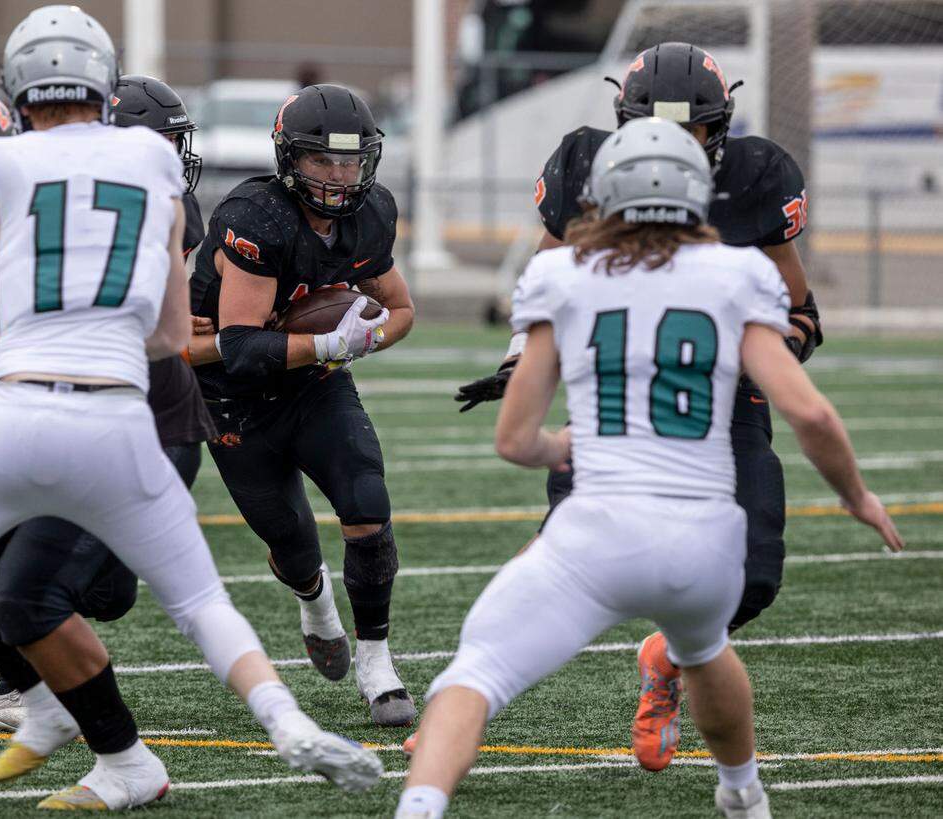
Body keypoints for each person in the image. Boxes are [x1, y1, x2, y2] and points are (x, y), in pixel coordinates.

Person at [0, 5, 381, 811]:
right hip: (112, 414)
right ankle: (261, 724)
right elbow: (169, 329)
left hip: (72, 414)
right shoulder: (145, 163)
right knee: (149, 599)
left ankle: (57, 711)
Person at [397, 117, 903, 819]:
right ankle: (743, 793)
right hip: (703, 544)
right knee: (705, 646)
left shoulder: (560, 273)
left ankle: (419, 807)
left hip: (595, 536)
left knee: (474, 672)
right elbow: (810, 412)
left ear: (602, 193)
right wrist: (856, 495)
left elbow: (515, 440)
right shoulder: (740, 273)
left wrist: (560, 444)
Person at [452, 42, 823, 770]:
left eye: (699, 131)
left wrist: (763, 346)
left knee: (754, 574)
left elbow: (800, 309)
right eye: (657, 127)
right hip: (615, 389)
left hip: (718, 397)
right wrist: (519, 359)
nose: (676, 147)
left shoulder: (757, 177)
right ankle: (462, 703)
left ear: (724, 128)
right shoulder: (585, 166)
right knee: (556, 551)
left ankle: (671, 660)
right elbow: (548, 272)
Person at [0, 74, 220, 740]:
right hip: (39, 428)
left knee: (97, 593)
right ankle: (25, 688)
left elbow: (11, 338)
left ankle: (131, 735)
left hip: (141, 425)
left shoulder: (63, 204)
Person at [186, 83, 418, 726]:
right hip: (234, 398)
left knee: (367, 505)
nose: (340, 175)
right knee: (289, 542)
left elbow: (401, 311)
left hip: (314, 384)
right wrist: (325, 340)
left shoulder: (370, 217)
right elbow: (238, 348)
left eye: (350, 160)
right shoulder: (257, 216)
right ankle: (315, 605)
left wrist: (362, 341)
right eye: (322, 160)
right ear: (291, 159)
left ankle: (379, 668)